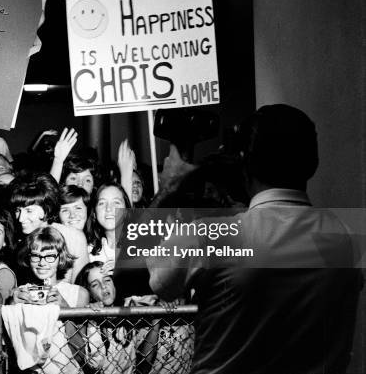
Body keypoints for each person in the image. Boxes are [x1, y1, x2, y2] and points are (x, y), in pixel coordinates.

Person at [147, 104, 363, 374]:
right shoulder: (347, 238)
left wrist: (170, 189)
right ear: (313, 163)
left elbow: (158, 279)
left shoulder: (213, 236)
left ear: (243, 163)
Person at [12, 227, 89, 374]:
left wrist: (65, 309)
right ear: (28, 258)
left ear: (60, 257)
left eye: (49, 256)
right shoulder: (21, 293)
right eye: (35, 255)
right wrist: (12, 306)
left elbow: (80, 355)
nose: (42, 263)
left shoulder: (78, 293)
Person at [10, 172, 89, 283]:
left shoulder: (74, 237)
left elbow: (82, 289)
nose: (21, 218)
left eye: (29, 210)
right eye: (18, 210)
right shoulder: (15, 240)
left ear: (47, 209)